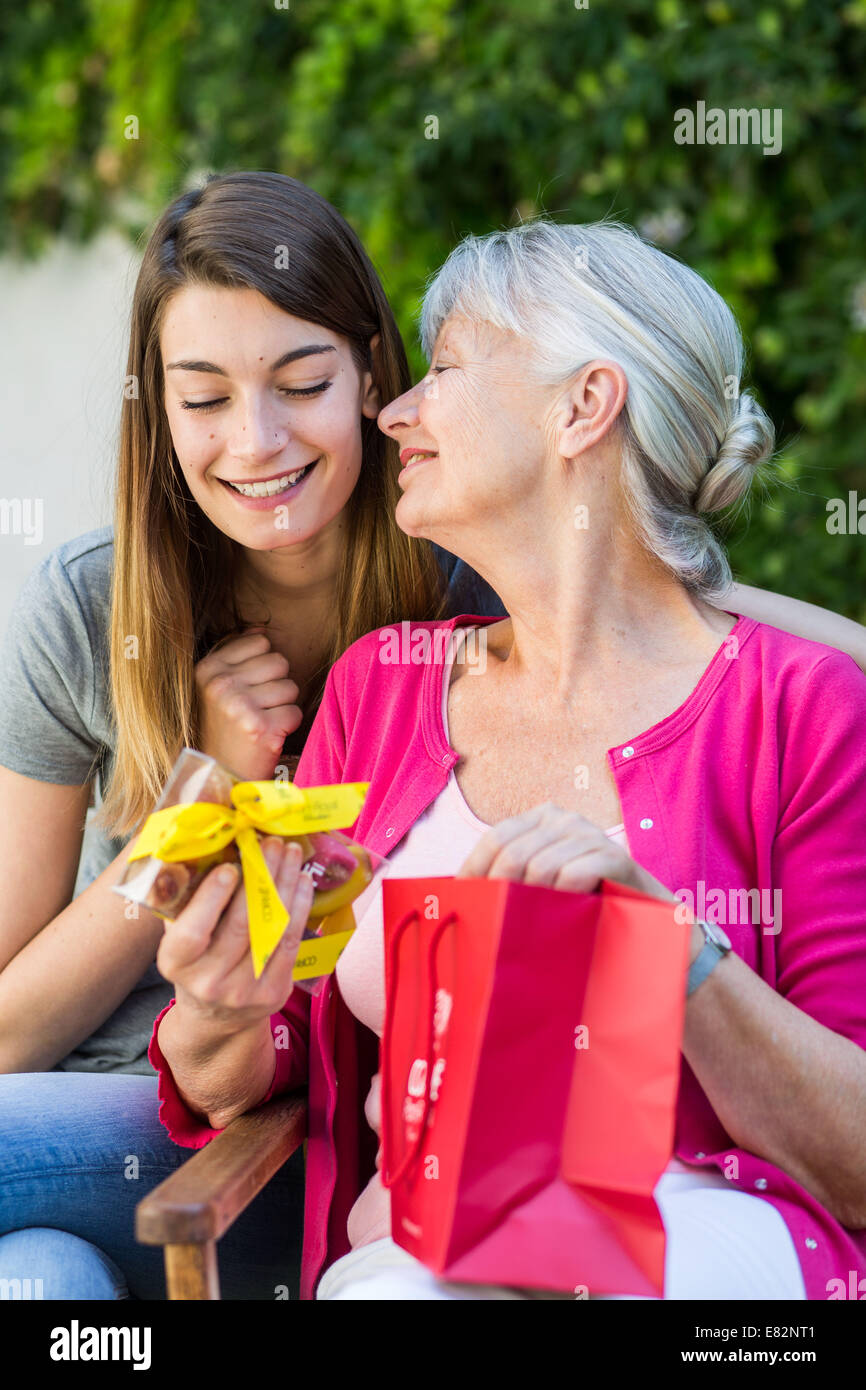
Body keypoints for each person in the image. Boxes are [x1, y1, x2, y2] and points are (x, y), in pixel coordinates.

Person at [152, 217, 866, 1301]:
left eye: (441, 370)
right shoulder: (377, 687)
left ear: (581, 406)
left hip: (706, 1250)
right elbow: (257, 1062)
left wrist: (676, 951)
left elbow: (852, 1158)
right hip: (420, 1258)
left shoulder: (800, 711)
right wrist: (218, 1005)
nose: (393, 410)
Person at [0, 171, 499, 1300]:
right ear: (157, 405)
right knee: (37, 1284)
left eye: (301, 381)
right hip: (81, 1127)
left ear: (372, 373)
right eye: (204, 397)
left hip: (298, 1145)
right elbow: (8, 1029)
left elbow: (660, 597)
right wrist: (202, 800)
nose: (255, 440)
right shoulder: (88, 611)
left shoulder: (465, 608)